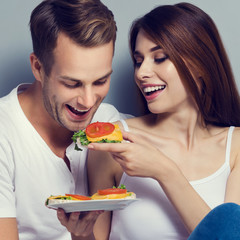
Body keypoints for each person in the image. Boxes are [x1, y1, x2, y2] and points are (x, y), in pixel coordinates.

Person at [65, 2, 240, 239]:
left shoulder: (235, 148)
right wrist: (80, 234)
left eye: (159, 58)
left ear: (200, 63)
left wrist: (164, 171)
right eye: (139, 60)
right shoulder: (116, 143)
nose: (141, 73)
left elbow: (227, 235)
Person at [0, 0, 128, 239]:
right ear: (38, 67)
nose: (88, 102)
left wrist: (83, 234)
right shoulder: (3, 134)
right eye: (72, 83)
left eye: (101, 81)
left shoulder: (109, 121)